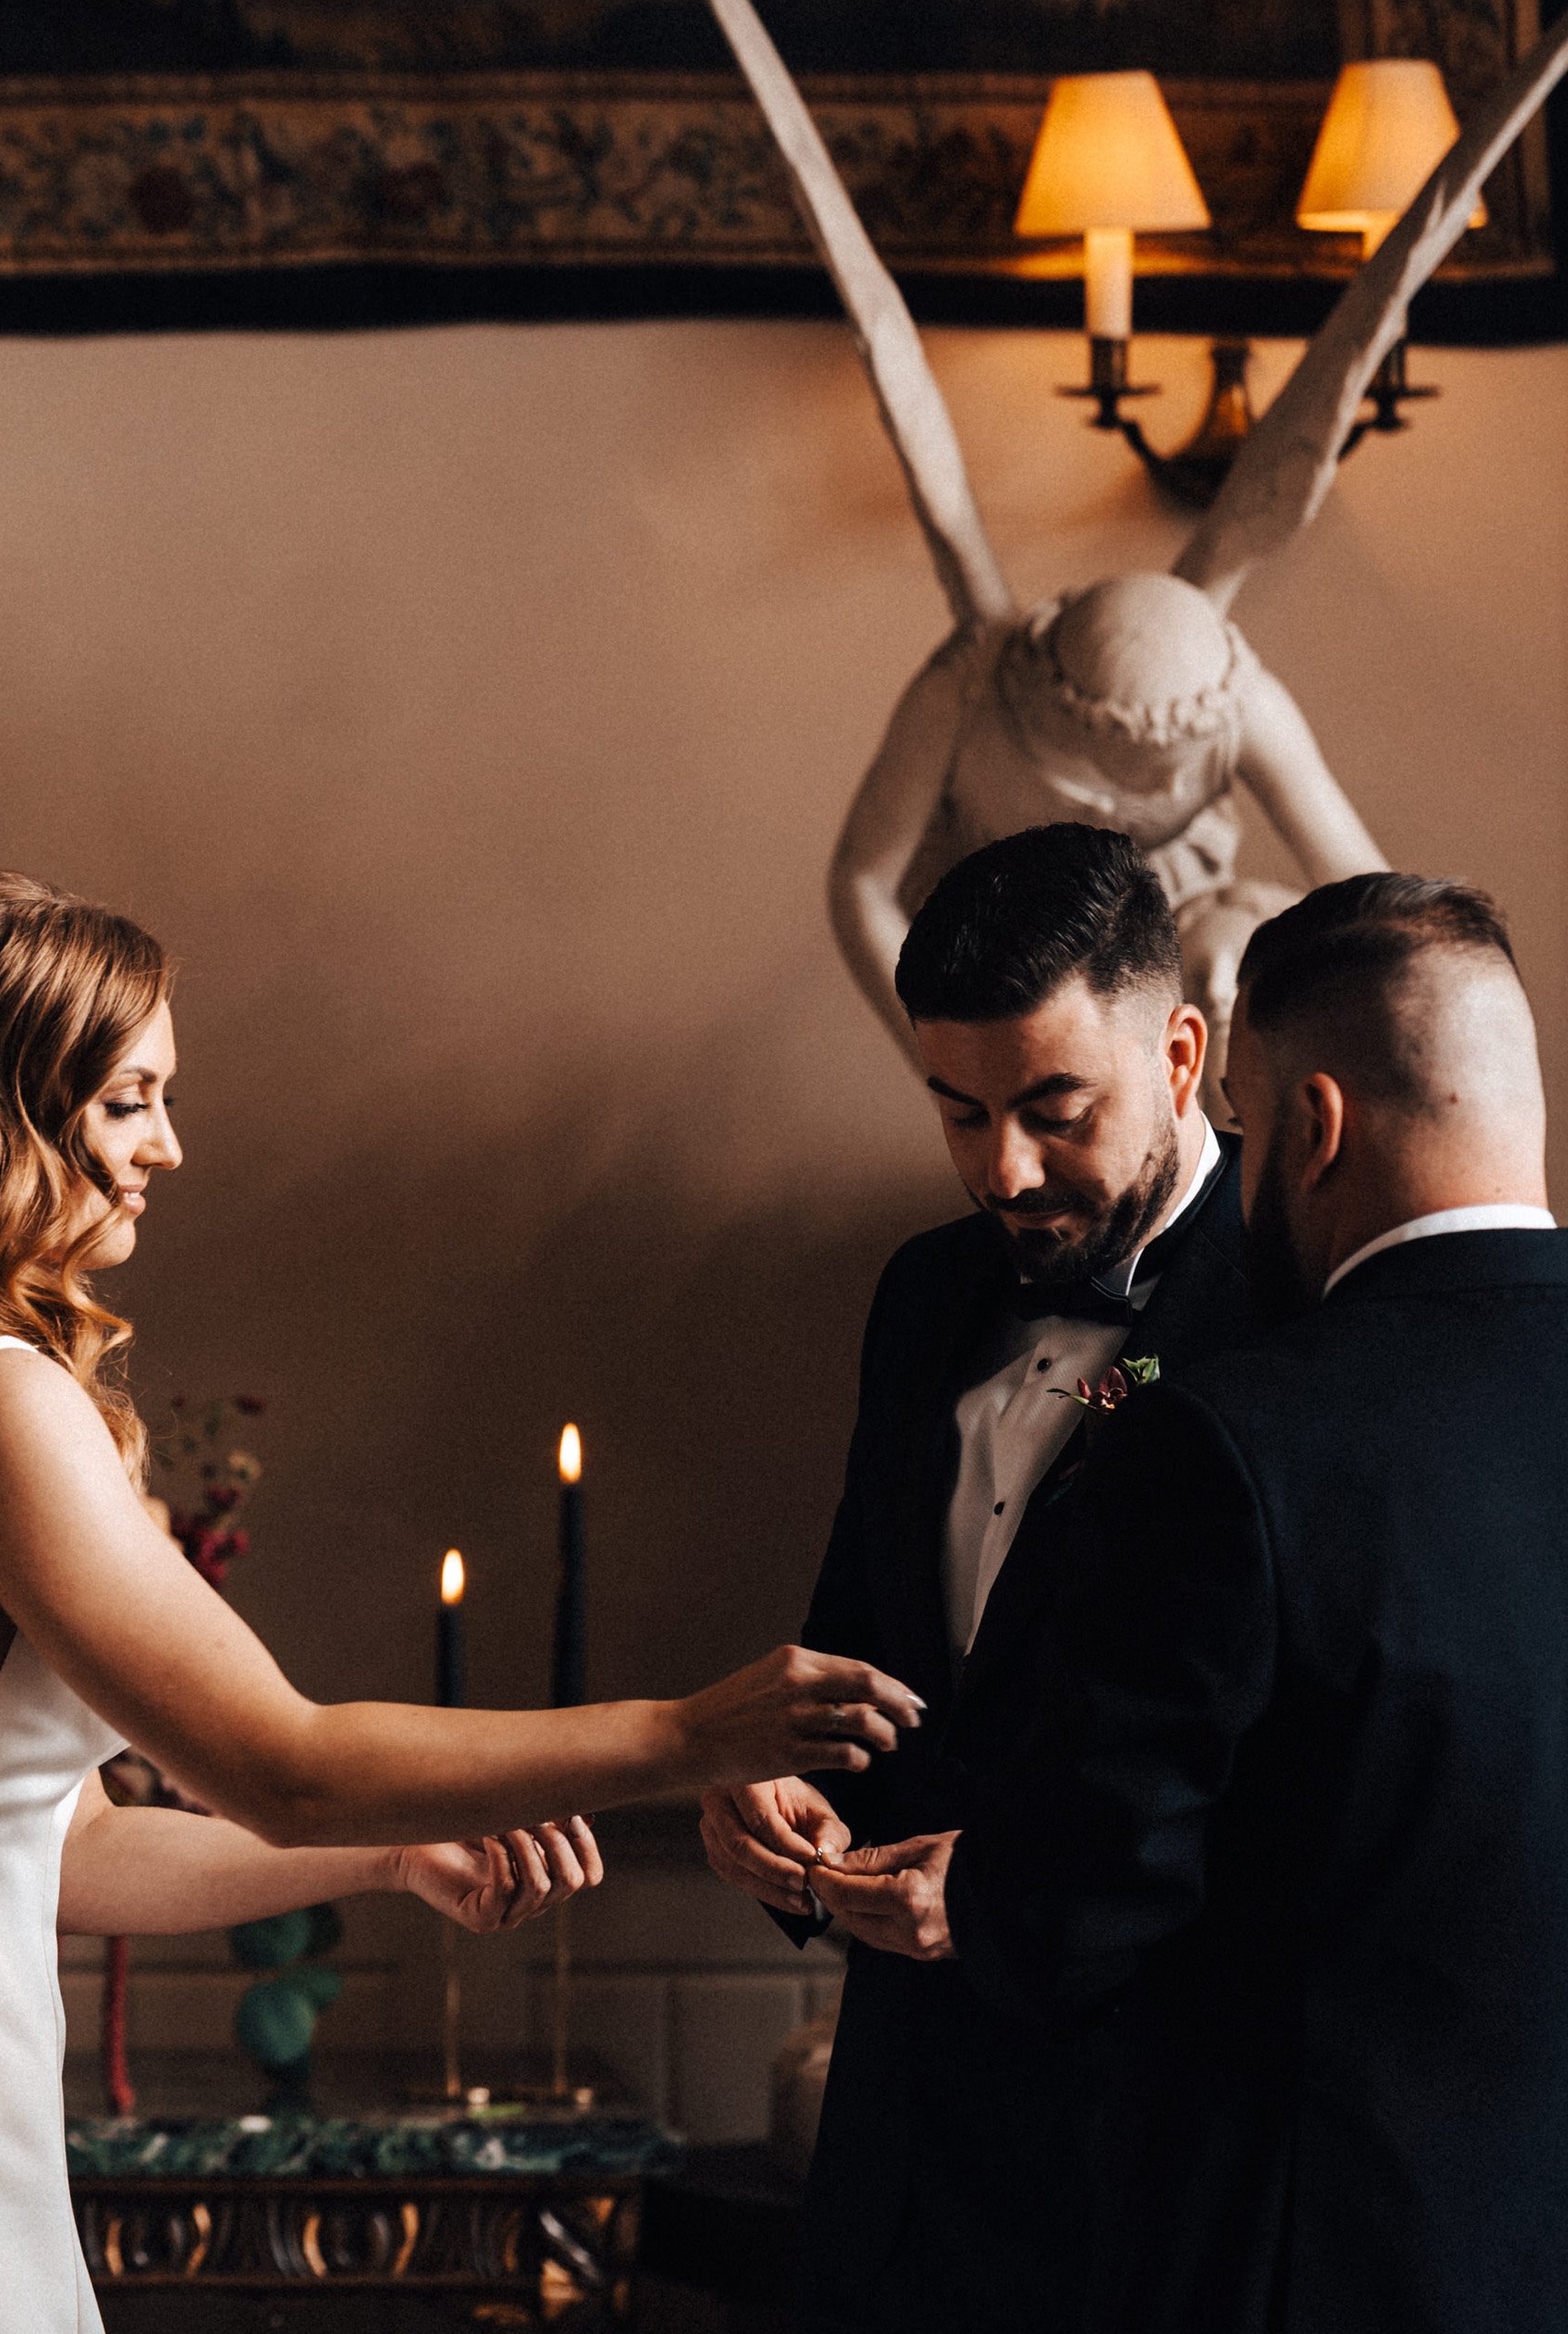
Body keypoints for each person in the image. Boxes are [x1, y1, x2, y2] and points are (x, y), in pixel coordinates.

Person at [0, 871, 921, 2334]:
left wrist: (393, 1855)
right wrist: (688, 1731)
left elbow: (61, 1849)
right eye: (127, 1099)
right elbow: (280, 1760)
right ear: (6, 1111)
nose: (168, 1145)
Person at [924, 872, 1567, 2334]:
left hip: (1311, 2264)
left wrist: (970, 1888)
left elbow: (1081, 1909)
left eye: (1249, 1126)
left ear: (1317, 1124)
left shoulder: (1230, 1441)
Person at [701, 823, 1253, 2333]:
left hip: (1162, 2164)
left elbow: (1305, 1774)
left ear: (1184, 1052)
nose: (1001, 1169)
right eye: (958, 1113)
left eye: (1053, 1110)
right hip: (905, 2159)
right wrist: (780, 1798)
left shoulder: (1294, 1308)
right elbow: (859, 1647)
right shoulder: (921, 1295)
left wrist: (1010, 1905)